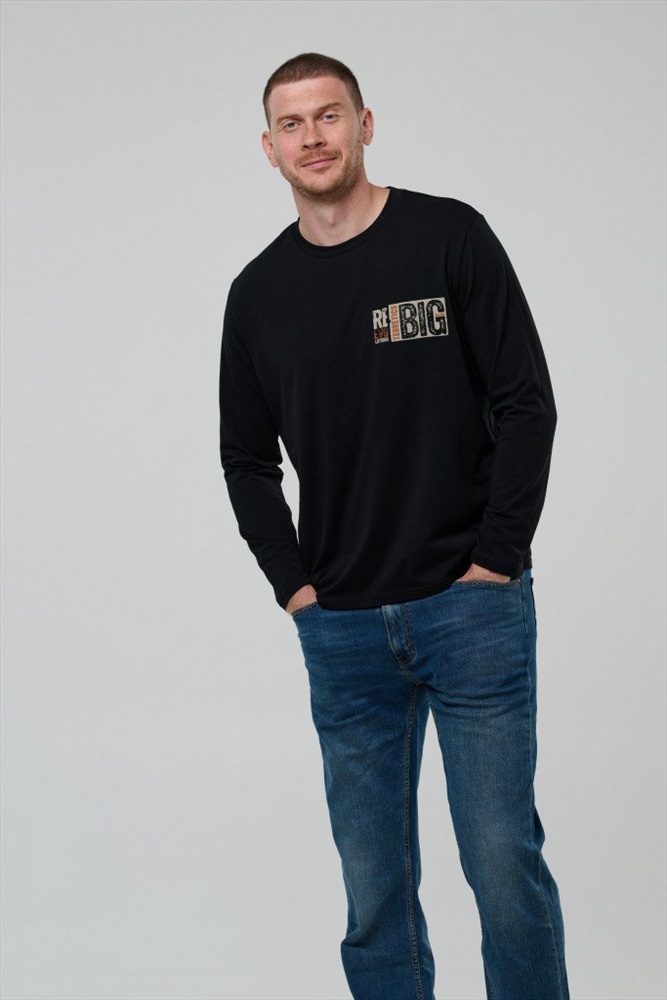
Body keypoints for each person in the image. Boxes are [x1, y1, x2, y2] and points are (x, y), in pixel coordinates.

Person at [218, 52, 570, 1000]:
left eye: (329, 115)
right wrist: (295, 588)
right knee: (373, 890)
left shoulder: (449, 238)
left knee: (501, 866)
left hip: (471, 611)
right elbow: (246, 459)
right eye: (291, 124)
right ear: (268, 147)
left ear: (365, 124)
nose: (313, 137)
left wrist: (497, 557)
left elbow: (525, 402)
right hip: (340, 628)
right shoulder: (257, 294)